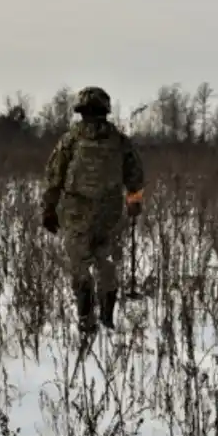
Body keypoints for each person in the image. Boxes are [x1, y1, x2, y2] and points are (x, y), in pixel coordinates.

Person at [41, 86, 144, 333]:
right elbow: (135, 176)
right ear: (105, 110)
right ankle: (107, 316)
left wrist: (49, 208)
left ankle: (86, 317)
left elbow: (54, 176)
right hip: (109, 211)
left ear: (81, 110)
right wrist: (134, 202)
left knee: (79, 263)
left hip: (77, 210)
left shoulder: (71, 139)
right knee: (106, 260)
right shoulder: (120, 141)